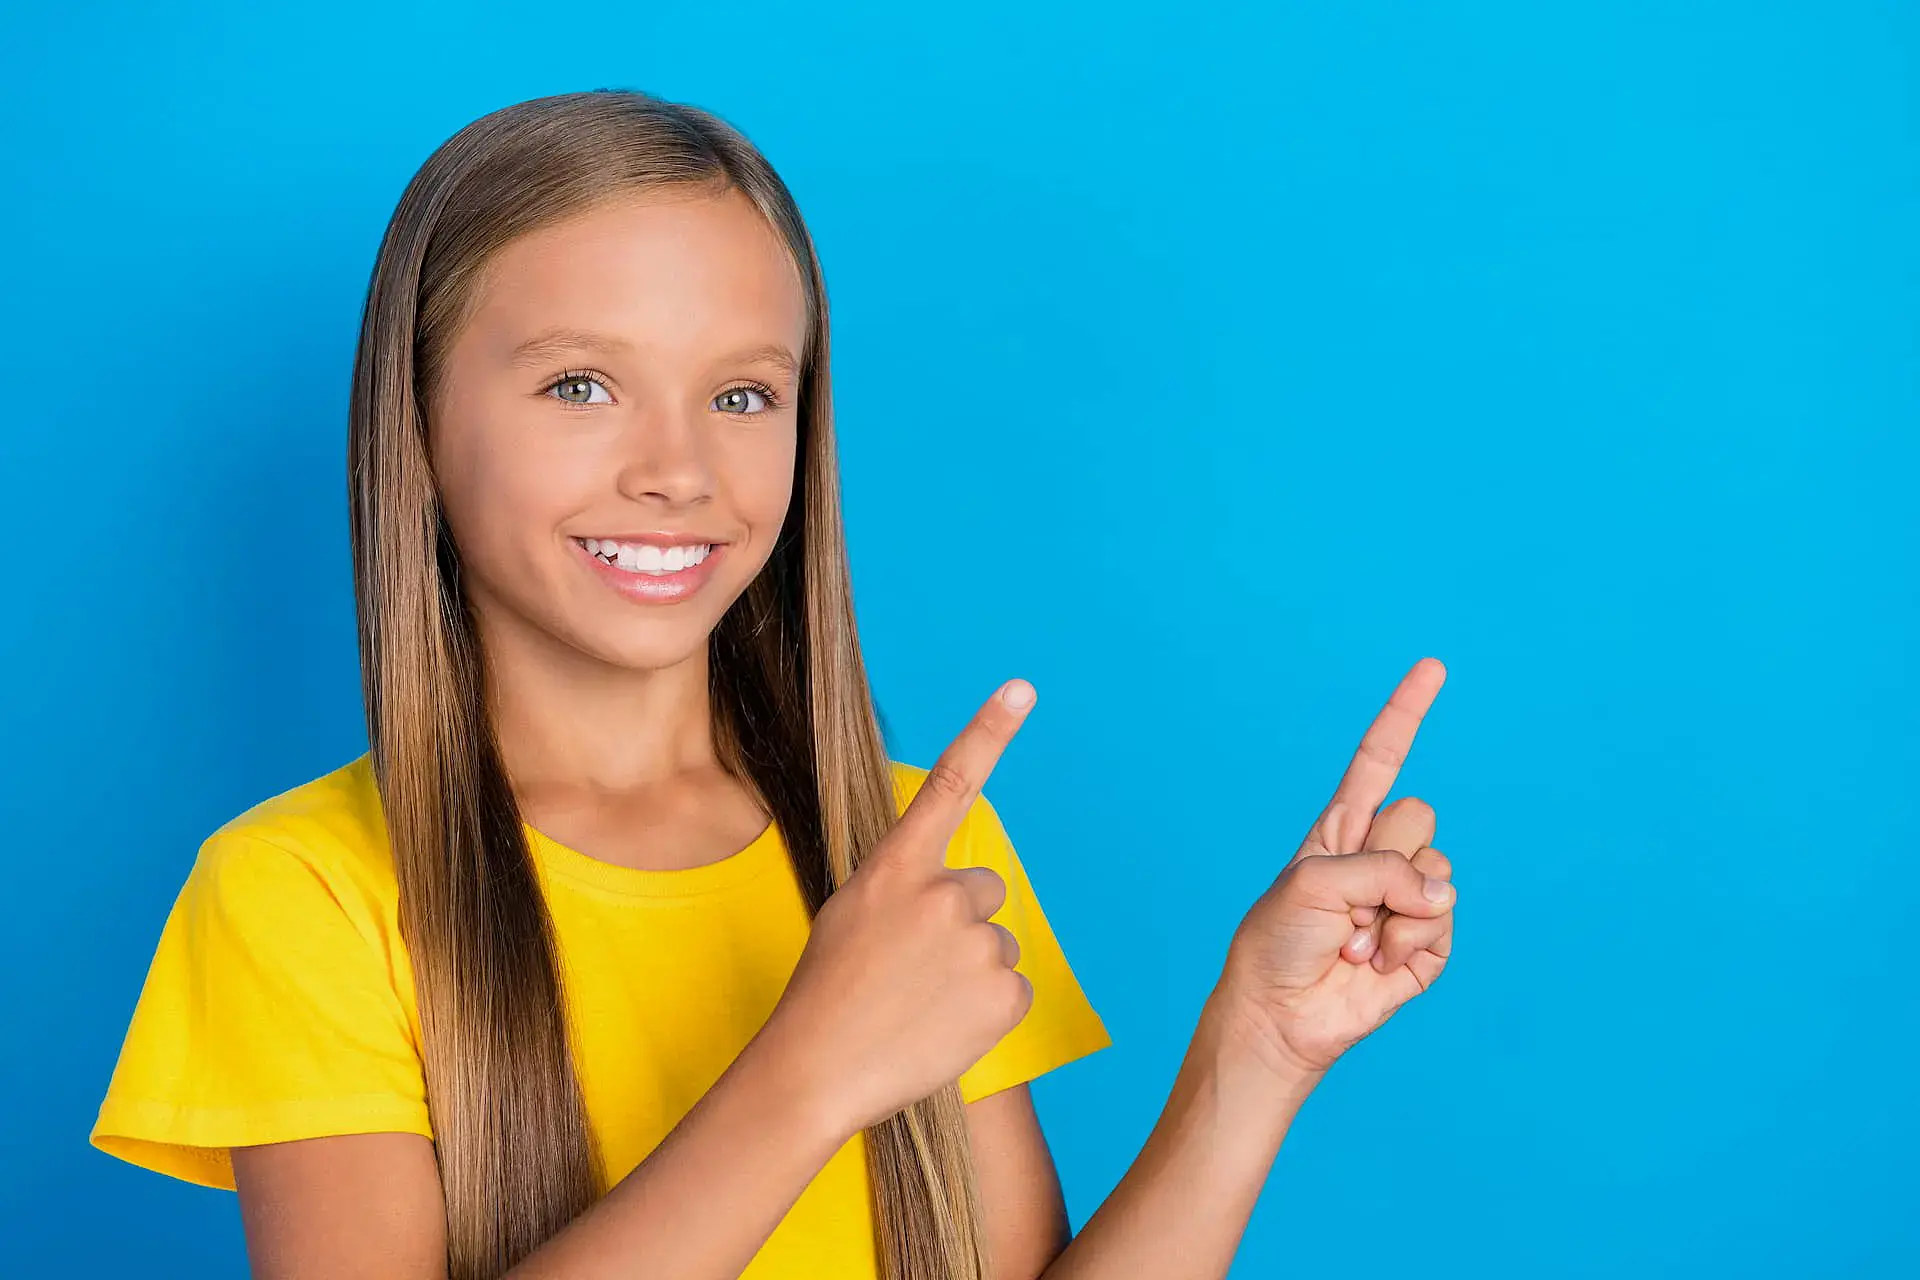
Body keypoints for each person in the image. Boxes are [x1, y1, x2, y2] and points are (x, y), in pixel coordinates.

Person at [88, 88, 1458, 1280]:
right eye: (580, 386)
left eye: (743, 396)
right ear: (420, 424)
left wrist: (1257, 1053)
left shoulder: (912, 844)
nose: (678, 469)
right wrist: (810, 1072)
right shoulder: (301, 894)